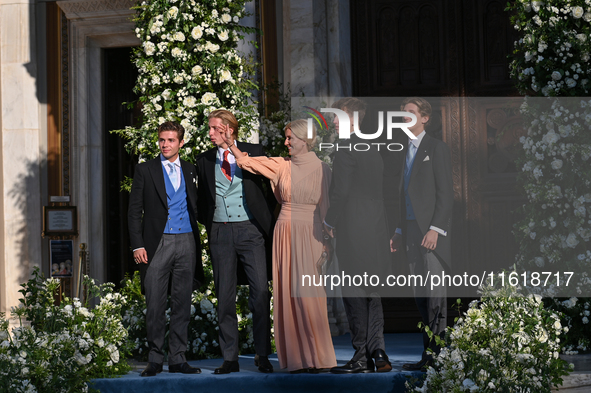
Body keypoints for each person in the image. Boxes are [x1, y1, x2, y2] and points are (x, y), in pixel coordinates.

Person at [220, 119, 337, 373]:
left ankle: (318, 357)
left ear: (304, 140)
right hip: (284, 232)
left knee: (310, 295)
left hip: (311, 234)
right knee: (287, 295)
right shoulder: (282, 165)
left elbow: (326, 209)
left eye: (289, 138)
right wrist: (233, 146)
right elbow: (249, 163)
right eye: (285, 138)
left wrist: (328, 245)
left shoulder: (323, 169)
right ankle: (295, 359)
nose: (285, 143)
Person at [195, 110, 275, 374]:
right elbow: (201, 200)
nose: (210, 133)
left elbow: (269, 187)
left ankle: (262, 354)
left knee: (261, 294)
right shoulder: (204, 160)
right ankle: (230, 357)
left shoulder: (253, 150)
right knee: (225, 295)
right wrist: (213, 226)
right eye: (209, 128)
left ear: (229, 129)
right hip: (221, 232)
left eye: (215, 128)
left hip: (251, 231)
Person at [128, 121, 204, 377]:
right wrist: (137, 243)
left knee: (182, 303)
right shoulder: (145, 170)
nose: (165, 145)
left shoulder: (191, 169)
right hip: (156, 243)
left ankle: (178, 359)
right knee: (155, 304)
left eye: (171, 140)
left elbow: (198, 205)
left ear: (181, 143)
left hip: (186, 242)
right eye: (162, 140)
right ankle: (155, 359)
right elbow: (134, 210)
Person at [323, 98, 393, 373]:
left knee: (353, 293)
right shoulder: (373, 148)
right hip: (375, 229)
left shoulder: (345, 146)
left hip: (353, 230)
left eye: (338, 117)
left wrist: (329, 222)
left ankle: (360, 356)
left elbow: (340, 191)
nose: (334, 122)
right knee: (372, 292)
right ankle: (378, 352)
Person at [390, 97, 453, 372]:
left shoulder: (436, 148)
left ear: (424, 118)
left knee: (435, 294)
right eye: (403, 112)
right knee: (420, 294)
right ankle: (429, 356)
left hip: (431, 234)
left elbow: (446, 194)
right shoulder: (400, 150)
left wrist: (435, 229)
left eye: (410, 112)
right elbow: (402, 195)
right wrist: (399, 230)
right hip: (411, 231)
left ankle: (440, 357)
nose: (405, 116)